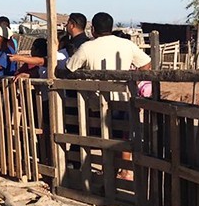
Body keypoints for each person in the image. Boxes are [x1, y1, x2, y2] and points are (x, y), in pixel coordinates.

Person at [63, 12, 152, 181]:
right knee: (122, 137)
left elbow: (68, 68)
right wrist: (134, 80)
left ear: (93, 29)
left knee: (100, 139)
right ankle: (122, 172)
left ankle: (106, 174)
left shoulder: (87, 47)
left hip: (97, 103)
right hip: (122, 99)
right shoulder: (126, 44)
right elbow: (146, 64)